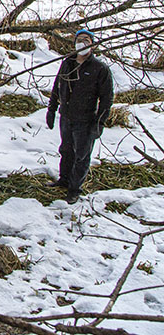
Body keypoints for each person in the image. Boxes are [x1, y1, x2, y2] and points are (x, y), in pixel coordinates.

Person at [45, 28, 114, 204]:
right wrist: (52, 109)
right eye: (79, 40)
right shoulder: (67, 63)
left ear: (92, 45)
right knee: (66, 150)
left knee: (81, 155)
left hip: (85, 120)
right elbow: (57, 87)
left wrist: (99, 122)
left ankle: (75, 189)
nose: (81, 43)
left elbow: (106, 98)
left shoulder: (100, 68)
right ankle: (64, 180)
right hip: (66, 117)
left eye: (86, 40)